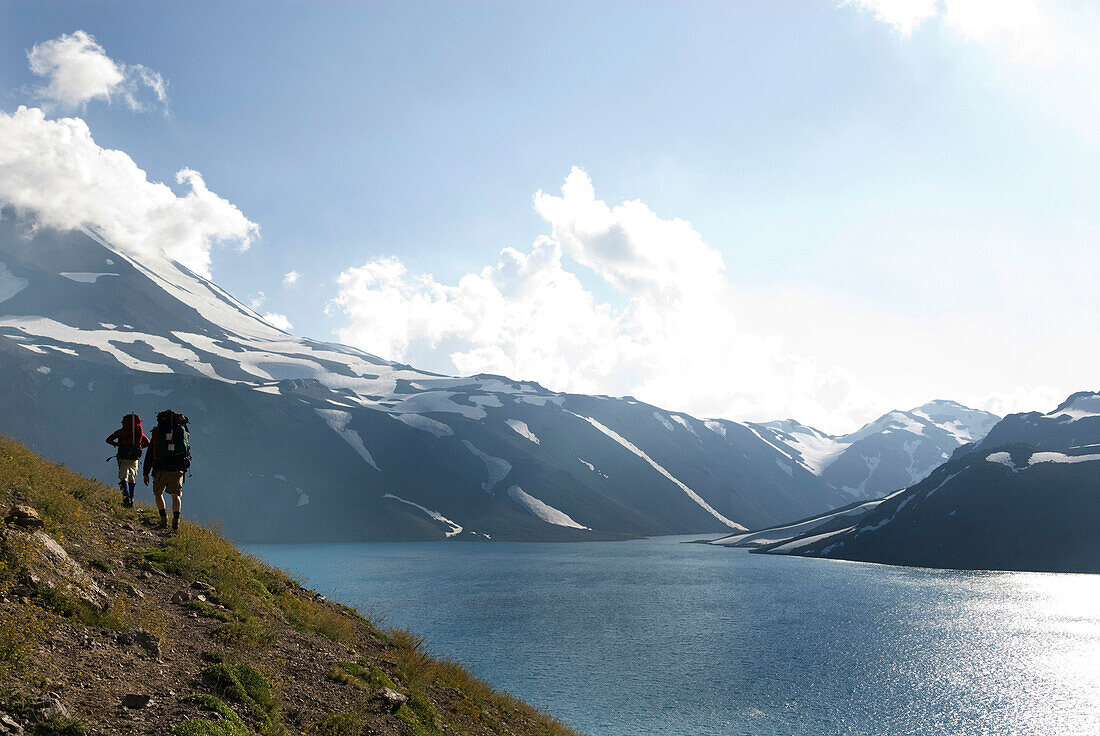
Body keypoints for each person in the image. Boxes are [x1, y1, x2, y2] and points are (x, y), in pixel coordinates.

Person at [143, 409, 191, 531]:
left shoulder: (158, 433)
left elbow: (150, 453)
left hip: (161, 467)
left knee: (158, 493)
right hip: (178, 467)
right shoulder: (181, 431)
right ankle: (176, 522)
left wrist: (146, 472)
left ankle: (164, 520)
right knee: (176, 495)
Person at [105, 414, 149, 508]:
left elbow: (108, 440)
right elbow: (148, 443)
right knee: (132, 477)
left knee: (123, 477)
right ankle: (132, 499)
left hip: (122, 457)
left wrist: (117, 444)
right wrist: (139, 448)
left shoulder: (121, 432)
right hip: (134, 458)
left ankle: (125, 498)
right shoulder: (138, 433)